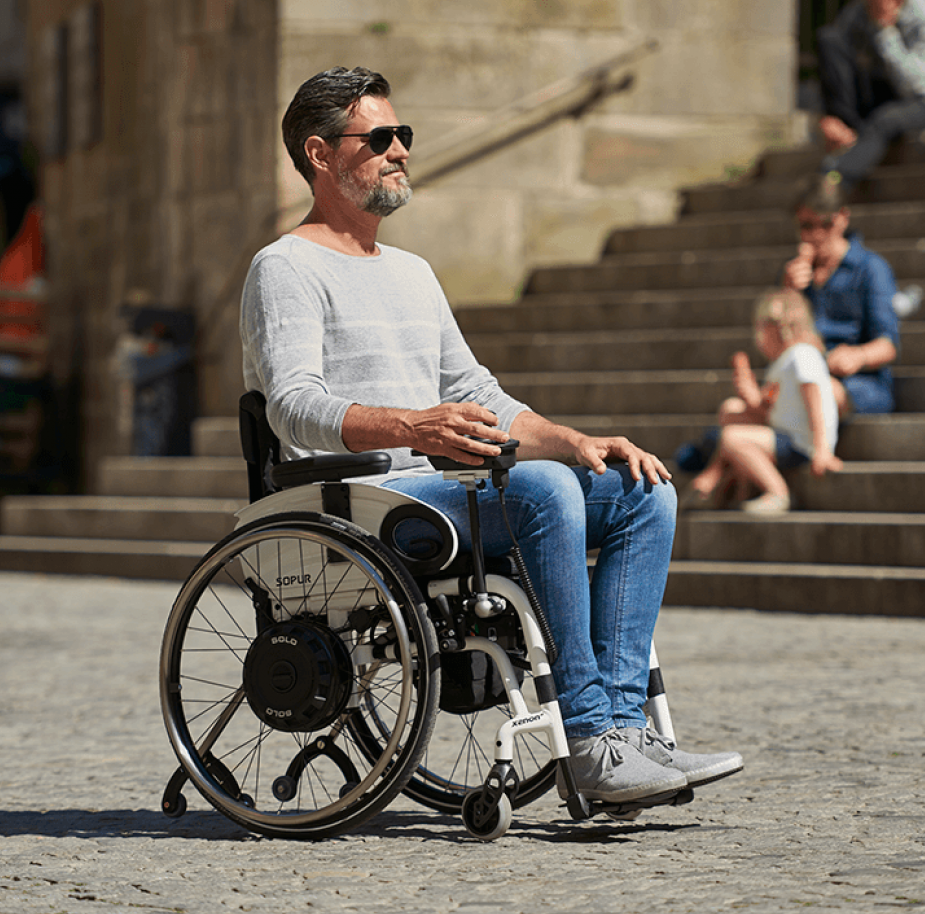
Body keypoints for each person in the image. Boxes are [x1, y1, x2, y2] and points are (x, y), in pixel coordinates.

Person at [241, 66, 742, 808]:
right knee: (542, 490)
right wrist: (414, 424)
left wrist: (578, 441)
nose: (400, 150)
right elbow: (293, 405)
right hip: (356, 499)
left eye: (402, 135)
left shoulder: (414, 273)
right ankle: (590, 736)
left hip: (428, 496)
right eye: (378, 137)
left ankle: (630, 733)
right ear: (320, 155)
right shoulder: (284, 267)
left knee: (640, 492)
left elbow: (476, 394)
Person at [687, 291, 842, 515]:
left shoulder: (801, 355)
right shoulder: (783, 362)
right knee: (730, 410)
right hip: (784, 433)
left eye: (761, 328)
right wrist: (750, 395)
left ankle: (778, 493)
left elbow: (813, 397)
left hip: (801, 443)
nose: (758, 337)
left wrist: (822, 450)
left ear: (780, 329)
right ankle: (729, 484)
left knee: (732, 437)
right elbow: (769, 407)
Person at [816, 0, 925, 191]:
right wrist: (829, 116)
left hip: (918, 103)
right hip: (877, 94)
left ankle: (835, 177)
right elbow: (839, 65)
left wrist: (886, 32)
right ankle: (843, 130)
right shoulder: (859, 9)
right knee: (829, 41)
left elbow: (919, 87)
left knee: (884, 120)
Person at [783, 175, 900, 416]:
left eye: (825, 224)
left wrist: (858, 355)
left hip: (859, 383)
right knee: (733, 412)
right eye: (806, 226)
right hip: (805, 378)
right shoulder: (793, 275)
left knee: (820, 393)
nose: (816, 235)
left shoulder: (869, 268)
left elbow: (888, 345)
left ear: (843, 218)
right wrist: (789, 295)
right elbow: (776, 342)